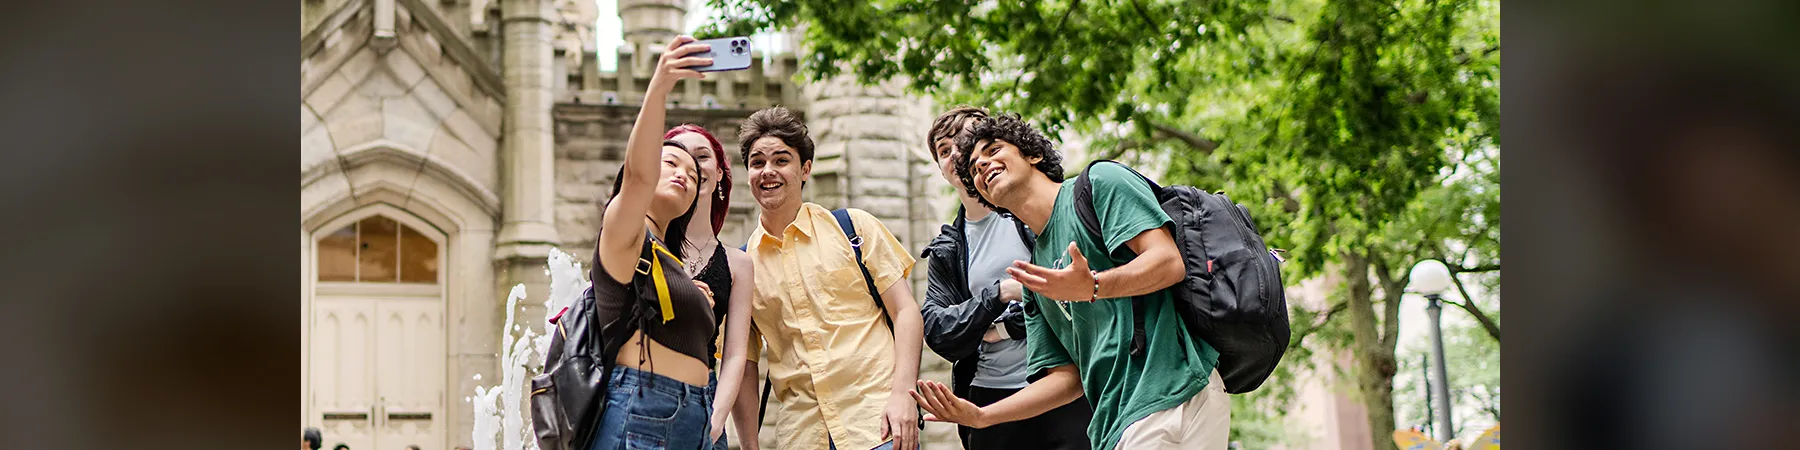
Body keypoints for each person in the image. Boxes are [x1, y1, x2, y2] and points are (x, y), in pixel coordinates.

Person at [911, 114, 1229, 450]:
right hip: (1114, 424)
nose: (982, 166)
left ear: (1032, 155)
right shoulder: (1035, 274)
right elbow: (1066, 379)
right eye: (974, 168)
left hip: (1173, 392)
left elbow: (1168, 262)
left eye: (993, 150)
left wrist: (1092, 286)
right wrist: (982, 416)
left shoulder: (1099, 184)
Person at [738, 106, 924, 450]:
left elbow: (906, 312)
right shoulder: (741, 267)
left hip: (877, 424)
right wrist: (750, 445)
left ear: (805, 169)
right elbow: (744, 363)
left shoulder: (854, 228)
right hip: (801, 435)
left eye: (781, 160)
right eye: (757, 162)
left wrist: (903, 395)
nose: (768, 171)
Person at [917, 106, 1092, 450]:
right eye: (943, 150)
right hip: (988, 397)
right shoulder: (947, 248)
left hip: (1062, 388)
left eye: (965, 141)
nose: (955, 153)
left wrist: (1001, 328)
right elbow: (937, 330)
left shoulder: (1031, 214)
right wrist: (997, 295)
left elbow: (1073, 294)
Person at [581, 35, 720, 450]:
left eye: (694, 177)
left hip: (694, 415)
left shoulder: (667, 259)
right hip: (643, 409)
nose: (684, 175)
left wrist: (690, 297)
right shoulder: (624, 231)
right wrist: (660, 85)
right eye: (670, 162)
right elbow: (638, 178)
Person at [666, 123, 761, 450]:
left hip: (702, 404)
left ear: (721, 172)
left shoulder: (738, 264)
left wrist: (717, 418)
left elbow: (735, 353)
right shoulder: (644, 242)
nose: (691, 164)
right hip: (635, 395)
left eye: (702, 156)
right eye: (677, 157)